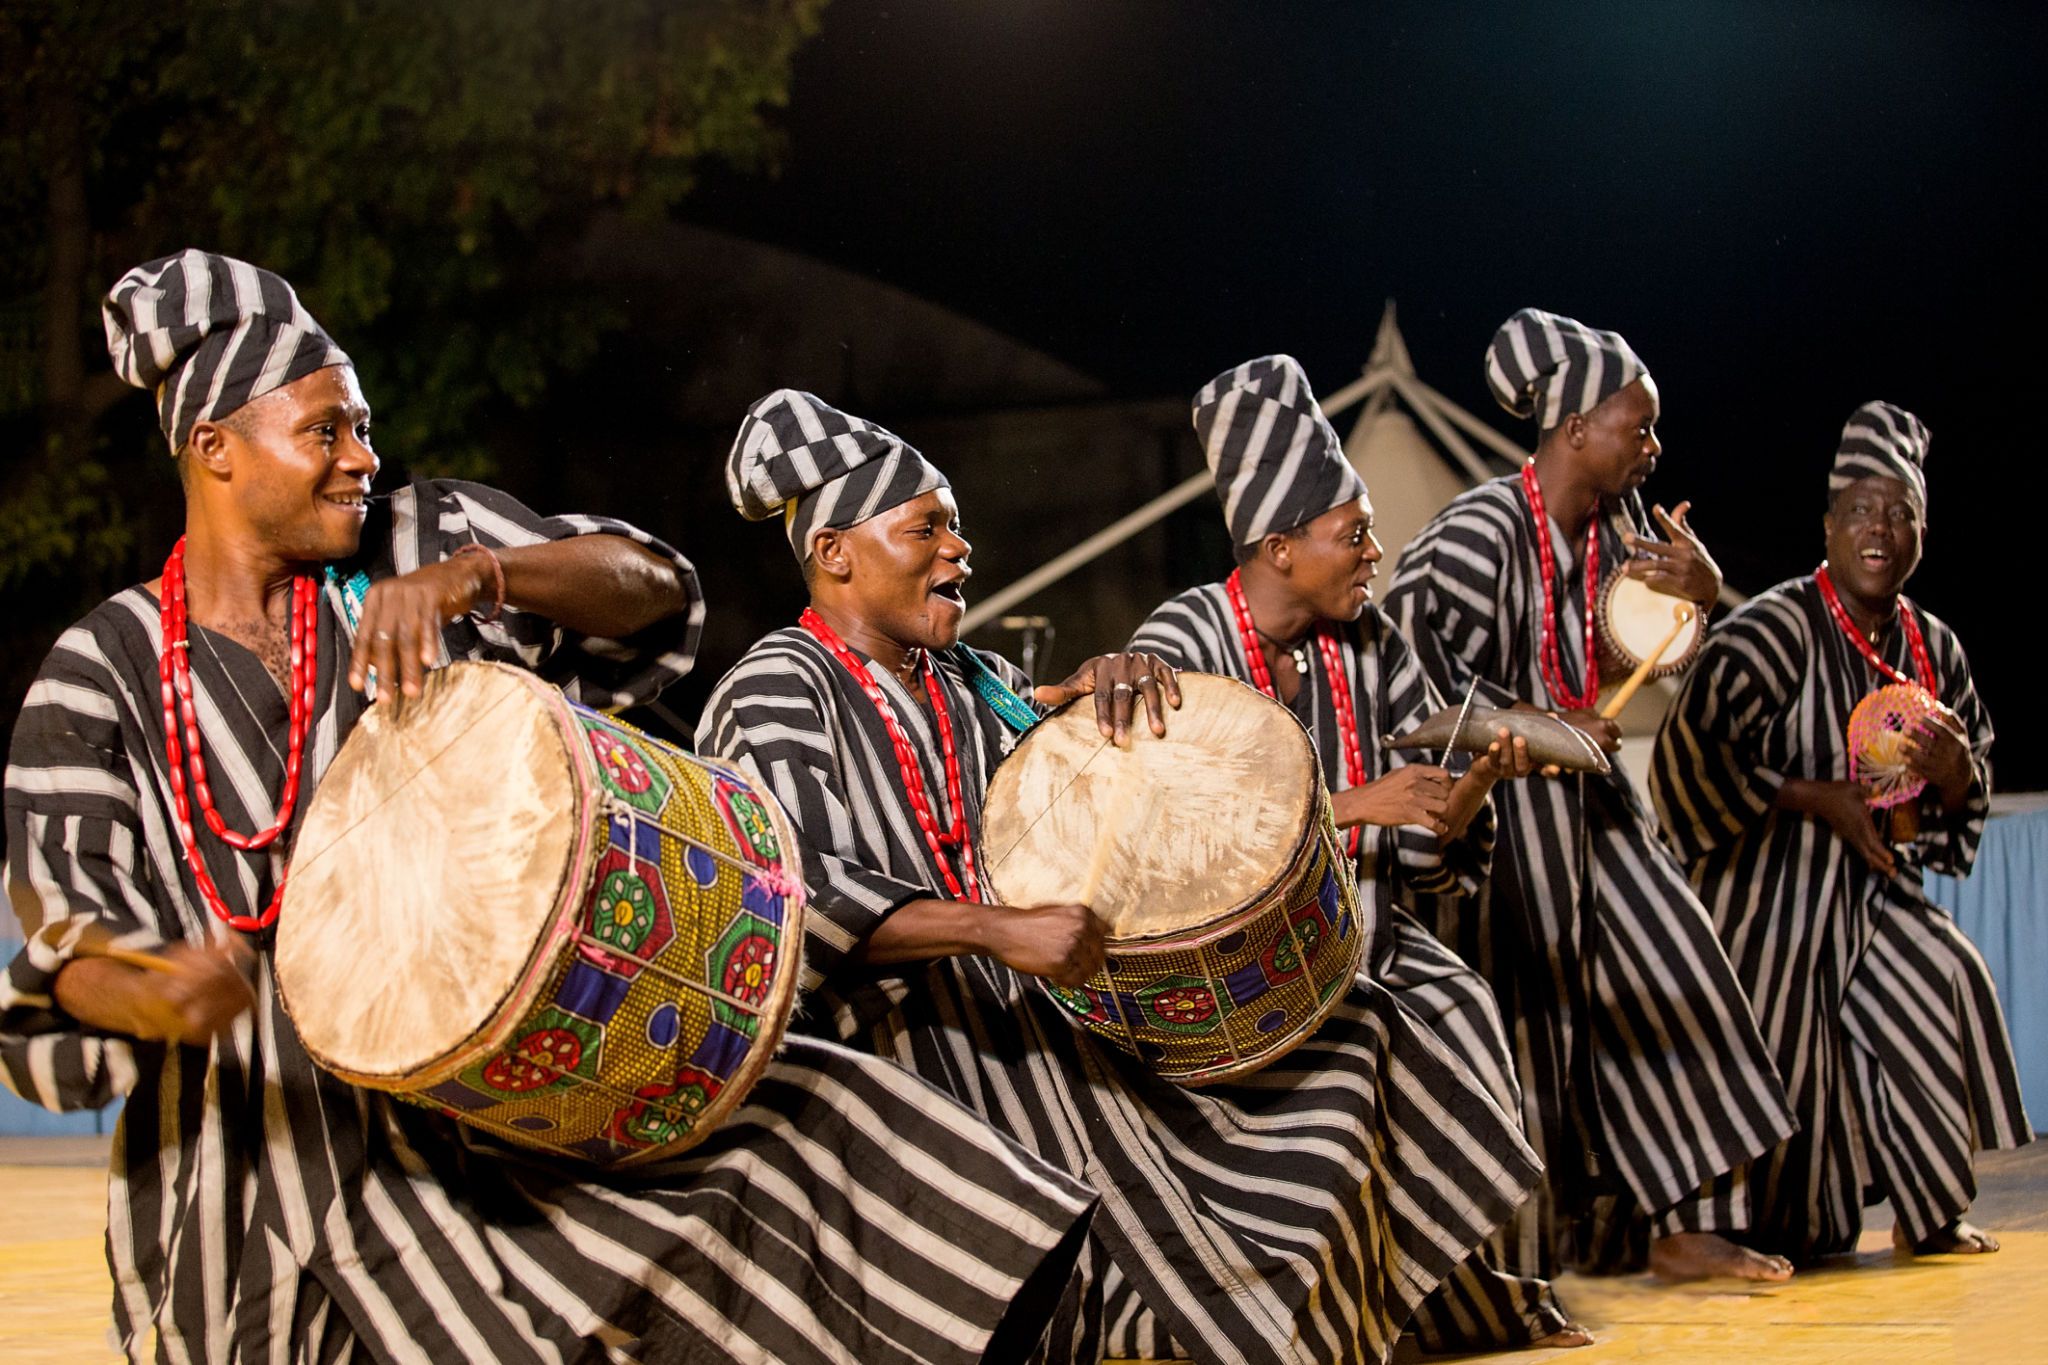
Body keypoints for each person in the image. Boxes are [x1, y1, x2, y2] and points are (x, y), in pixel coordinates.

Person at [1, 250, 1094, 1364]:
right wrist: (155, 990)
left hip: (501, 1122)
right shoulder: (101, 673)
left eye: (364, 428)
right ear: (213, 447)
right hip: (247, 1181)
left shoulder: (418, 542)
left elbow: (654, 587)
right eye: (326, 431)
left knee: (845, 1137)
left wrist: (486, 576)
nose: (361, 459)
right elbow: (63, 950)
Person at [696, 388, 1547, 1364]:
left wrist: (1091, 695)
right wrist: (992, 932)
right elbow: (787, 899)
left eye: (959, 529)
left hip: (1033, 1013)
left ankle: (1413, 1317)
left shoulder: (961, 678)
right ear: (835, 552)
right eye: (927, 527)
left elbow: (1055, 767)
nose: (958, 550)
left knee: (1360, 1039)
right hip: (915, 1053)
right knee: (1173, 1219)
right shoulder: (770, 690)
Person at [1129, 353, 1586, 1351]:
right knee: (1371, 1050)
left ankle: (1465, 1297)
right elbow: (1164, 836)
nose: (1376, 551)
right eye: (1354, 534)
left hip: (1370, 934)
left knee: (1460, 1006)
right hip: (1227, 973)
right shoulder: (1180, 642)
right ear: (1279, 547)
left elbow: (1422, 840)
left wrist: (1456, 806)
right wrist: (1354, 805)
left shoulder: (1370, 643)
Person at [1382, 309, 1796, 1281]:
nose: (1651, 447)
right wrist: (1535, 724)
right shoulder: (1477, 532)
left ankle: (1685, 1217)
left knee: (1679, 963)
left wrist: (1697, 596)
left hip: (1597, 812)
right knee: (1531, 1030)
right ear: (1572, 428)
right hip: (1499, 818)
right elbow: (1406, 686)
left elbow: (1649, 658)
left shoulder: (1623, 540)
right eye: (1636, 425)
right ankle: (1540, 1246)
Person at [1649, 400, 2030, 1262]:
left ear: (1921, 534)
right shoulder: (1773, 630)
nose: (1880, 528)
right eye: (1861, 508)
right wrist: (1815, 797)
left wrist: (1954, 773)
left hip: (1867, 889)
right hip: (1761, 885)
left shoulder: (1936, 649)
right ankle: (1713, 1226)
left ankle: (1932, 1209)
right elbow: (1693, 755)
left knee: (1945, 974)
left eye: (1901, 513)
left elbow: (1967, 787)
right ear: (1827, 526)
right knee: (1771, 994)